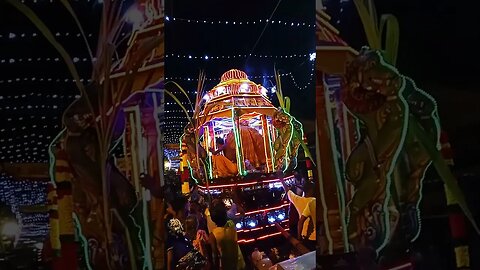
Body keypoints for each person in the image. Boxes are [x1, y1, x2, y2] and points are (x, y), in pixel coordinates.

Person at [208, 200, 246, 270]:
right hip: (239, 264)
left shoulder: (213, 235)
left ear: (212, 219)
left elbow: (215, 256)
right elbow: (242, 213)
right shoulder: (231, 224)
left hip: (226, 267)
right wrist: (235, 201)